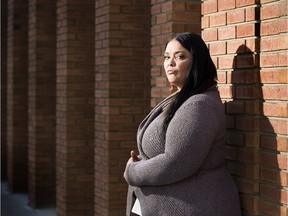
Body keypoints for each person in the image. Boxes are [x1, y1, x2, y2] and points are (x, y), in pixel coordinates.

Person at [123, 32, 241, 216]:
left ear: (197, 62)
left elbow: (175, 163)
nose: (170, 63)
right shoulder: (183, 99)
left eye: (180, 56)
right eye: (167, 57)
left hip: (197, 208)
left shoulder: (200, 105)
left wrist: (133, 171)